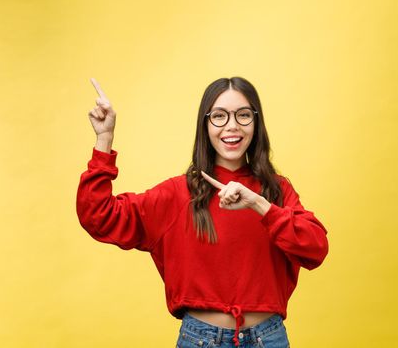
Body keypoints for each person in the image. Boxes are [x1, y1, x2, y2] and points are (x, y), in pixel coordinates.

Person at [76, 76, 329, 348]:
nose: (232, 126)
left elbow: (315, 248)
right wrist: (104, 139)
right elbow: (98, 216)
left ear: (256, 123)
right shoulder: (177, 194)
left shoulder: (276, 191)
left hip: (268, 339)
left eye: (243, 115)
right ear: (205, 125)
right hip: (201, 340)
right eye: (219, 116)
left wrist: (260, 205)